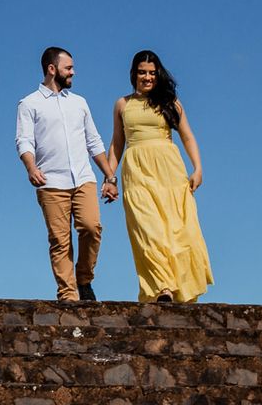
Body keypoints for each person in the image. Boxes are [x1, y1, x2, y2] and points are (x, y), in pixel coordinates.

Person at [15, 46, 119, 302]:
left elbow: (93, 142)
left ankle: (84, 279)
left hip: (83, 178)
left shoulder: (79, 103)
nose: (73, 72)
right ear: (52, 69)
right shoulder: (29, 104)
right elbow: (24, 141)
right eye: (68, 68)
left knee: (91, 227)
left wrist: (110, 177)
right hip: (51, 182)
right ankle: (68, 295)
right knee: (60, 241)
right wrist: (31, 168)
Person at [111, 49, 213, 302]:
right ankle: (161, 288)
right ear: (133, 74)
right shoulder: (122, 104)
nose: (147, 77)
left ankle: (180, 290)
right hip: (136, 171)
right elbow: (117, 143)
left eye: (152, 73)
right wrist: (109, 177)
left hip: (169, 170)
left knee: (177, 232)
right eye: (142, 72)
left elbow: (187, 136)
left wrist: (198, 168)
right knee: (148, 229)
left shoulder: (170, 102)